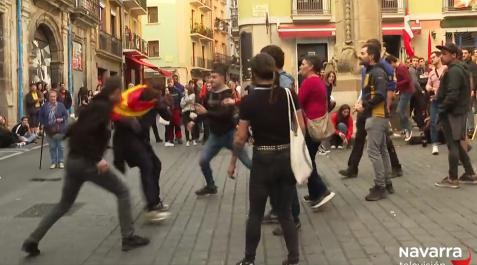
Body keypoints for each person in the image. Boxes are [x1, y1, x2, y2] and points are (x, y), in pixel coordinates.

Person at [21, 77, 150, 256]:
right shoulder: (102, 108)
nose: (121, 96)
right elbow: (85, 133)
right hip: (87, 162)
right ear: (114, 93)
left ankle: (32, 240)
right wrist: (97, 158)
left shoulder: (95, 106)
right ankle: (128, 237)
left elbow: (77, 128)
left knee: (64, 204)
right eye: (119, 92)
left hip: (73, 161)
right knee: (123, 192)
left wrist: (62, 133)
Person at [234, 53, 300, 265]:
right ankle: (293, 257)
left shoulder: (248, 100)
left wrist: (233, 160)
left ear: (253, 74)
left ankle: (249, 259)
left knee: (255, 213)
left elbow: (241, 136)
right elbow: (301, 128)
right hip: (285, 157)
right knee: (285, 213)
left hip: (262, 158)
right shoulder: (289, 95)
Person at [340, 39, 403, 180]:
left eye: (363, 52)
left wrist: (385, 106)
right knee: (360, 138)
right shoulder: (367, 68)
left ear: (373, 54)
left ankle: (395, 168)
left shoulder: (384, 68)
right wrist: (360, 102)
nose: (360, 55)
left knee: (383, 142)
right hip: (366, 107)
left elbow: (388, 89)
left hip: (376, 110)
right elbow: (366, 89)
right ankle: (352, 167)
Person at [188, 63, 252, 196]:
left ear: (223, 78)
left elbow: (225, 115)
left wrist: (206, 113)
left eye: (214, 77)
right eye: (210, 77)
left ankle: (267, 182)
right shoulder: (209, 94)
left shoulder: (228, 93)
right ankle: (211, 186)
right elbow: (203, 111)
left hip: (230, 135)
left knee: (248, 162)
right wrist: (194, 121)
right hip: (215, 136)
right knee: (203, 160)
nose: (211, 80)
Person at [113, 85, 171, 223]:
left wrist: (162, 105)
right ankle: (151, 207)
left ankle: (155, 201)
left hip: (141, 141)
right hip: (129, 142)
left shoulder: (154, 105)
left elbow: (167, 117)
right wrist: (118, 157)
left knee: (156, 165)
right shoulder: (130, 107)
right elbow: (119, 131)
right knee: (147, 167)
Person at [259, 45, 301, 235]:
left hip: (285, 138)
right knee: (278, 181)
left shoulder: (283, 81)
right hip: (279, 138)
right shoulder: (278, 80)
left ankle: (293, 219)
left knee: (286, 182)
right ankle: (279, 211)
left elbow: (290, 110)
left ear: (271, 62)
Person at [434, 43, 477, 189]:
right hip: (457, 111)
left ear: (453, 55)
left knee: (452, 144)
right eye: (441, 53)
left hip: (453, 112)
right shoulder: (459, 68)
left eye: (444, 53)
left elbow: (452, 94)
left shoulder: (454, 71)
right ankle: (470, 174)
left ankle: (453, 178)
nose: (441, 56)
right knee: (457, 143)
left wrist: (441, 108)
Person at [355, 43, 394, 201]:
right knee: (382, 150)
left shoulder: (377, 72)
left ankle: (380, 186)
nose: (360, 55)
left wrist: (364, 106)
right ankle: (386, 182)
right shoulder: (373, 72)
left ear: (371, 56)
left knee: (373, 152)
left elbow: (379, 95)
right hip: (377, 116)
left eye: (363, 53)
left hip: (376, 116)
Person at [297, 55, 336, 209]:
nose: (300, 66)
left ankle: (321, 191)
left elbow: (298, 102)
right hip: (318, 125)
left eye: (303, 64)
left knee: (306, 160)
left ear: (311, 66)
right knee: (310, 158)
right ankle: (314, 193)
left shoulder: (309, 82)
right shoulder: (318, 82)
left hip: (311, 126)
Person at [39, 90, 68, 169]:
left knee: (61, 146)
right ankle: (53, 162)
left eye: (54, 97)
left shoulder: (61, 105)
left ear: (56, 97)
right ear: (49, 97)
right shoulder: (45, 106)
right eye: (51, 97)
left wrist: (62, 119)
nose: (53, 98)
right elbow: (40, 116)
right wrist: (43, 124)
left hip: (59, 129)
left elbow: (66, 115)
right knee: (52, 147)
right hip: (49, 130)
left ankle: (61, 161)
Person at [388, 55, 415, 141]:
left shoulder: (401, 68)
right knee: (400, 111)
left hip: (407, 91)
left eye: (389, 64)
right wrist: (397, 89)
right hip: (404, 91)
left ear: (392, 62)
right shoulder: (398, 68)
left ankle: (408, 129)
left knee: (400, 110)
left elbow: (407, 79)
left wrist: (397, 84)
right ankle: (405, 128)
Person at [426, 51, 447, 155]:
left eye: (433, 57)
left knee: (448, 122)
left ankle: (453, 144)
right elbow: (427, 85)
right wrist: (429, 88)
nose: (432, 59)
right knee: (433, 122)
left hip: (446, 100)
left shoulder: (446, 69)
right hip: (434, 100)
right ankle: (434, 144)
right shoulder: (431, 72)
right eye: (431, 58)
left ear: (439, 57)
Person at [462, 48, 477, 138]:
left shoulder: (473, 65)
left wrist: (473, 90)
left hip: (470, 91)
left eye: (465, 53)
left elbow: (474, 79)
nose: (463, 54)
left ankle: (470, 129)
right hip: (462, 91)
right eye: (462, 53)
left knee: (468, 109)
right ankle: (466, 128)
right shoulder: (462, 64)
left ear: (469, 54)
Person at [165, 79, 183, 146]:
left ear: (173, 83)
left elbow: (181, 101)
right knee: (170, 126)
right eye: (168, 82)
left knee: (177, 124)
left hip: (176, 110)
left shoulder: (177, 91)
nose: (170, 83)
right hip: (169, 111)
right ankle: (171, 139)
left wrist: (181, 110)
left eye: (171, 82)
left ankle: (179, 137)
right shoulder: (166, 91)